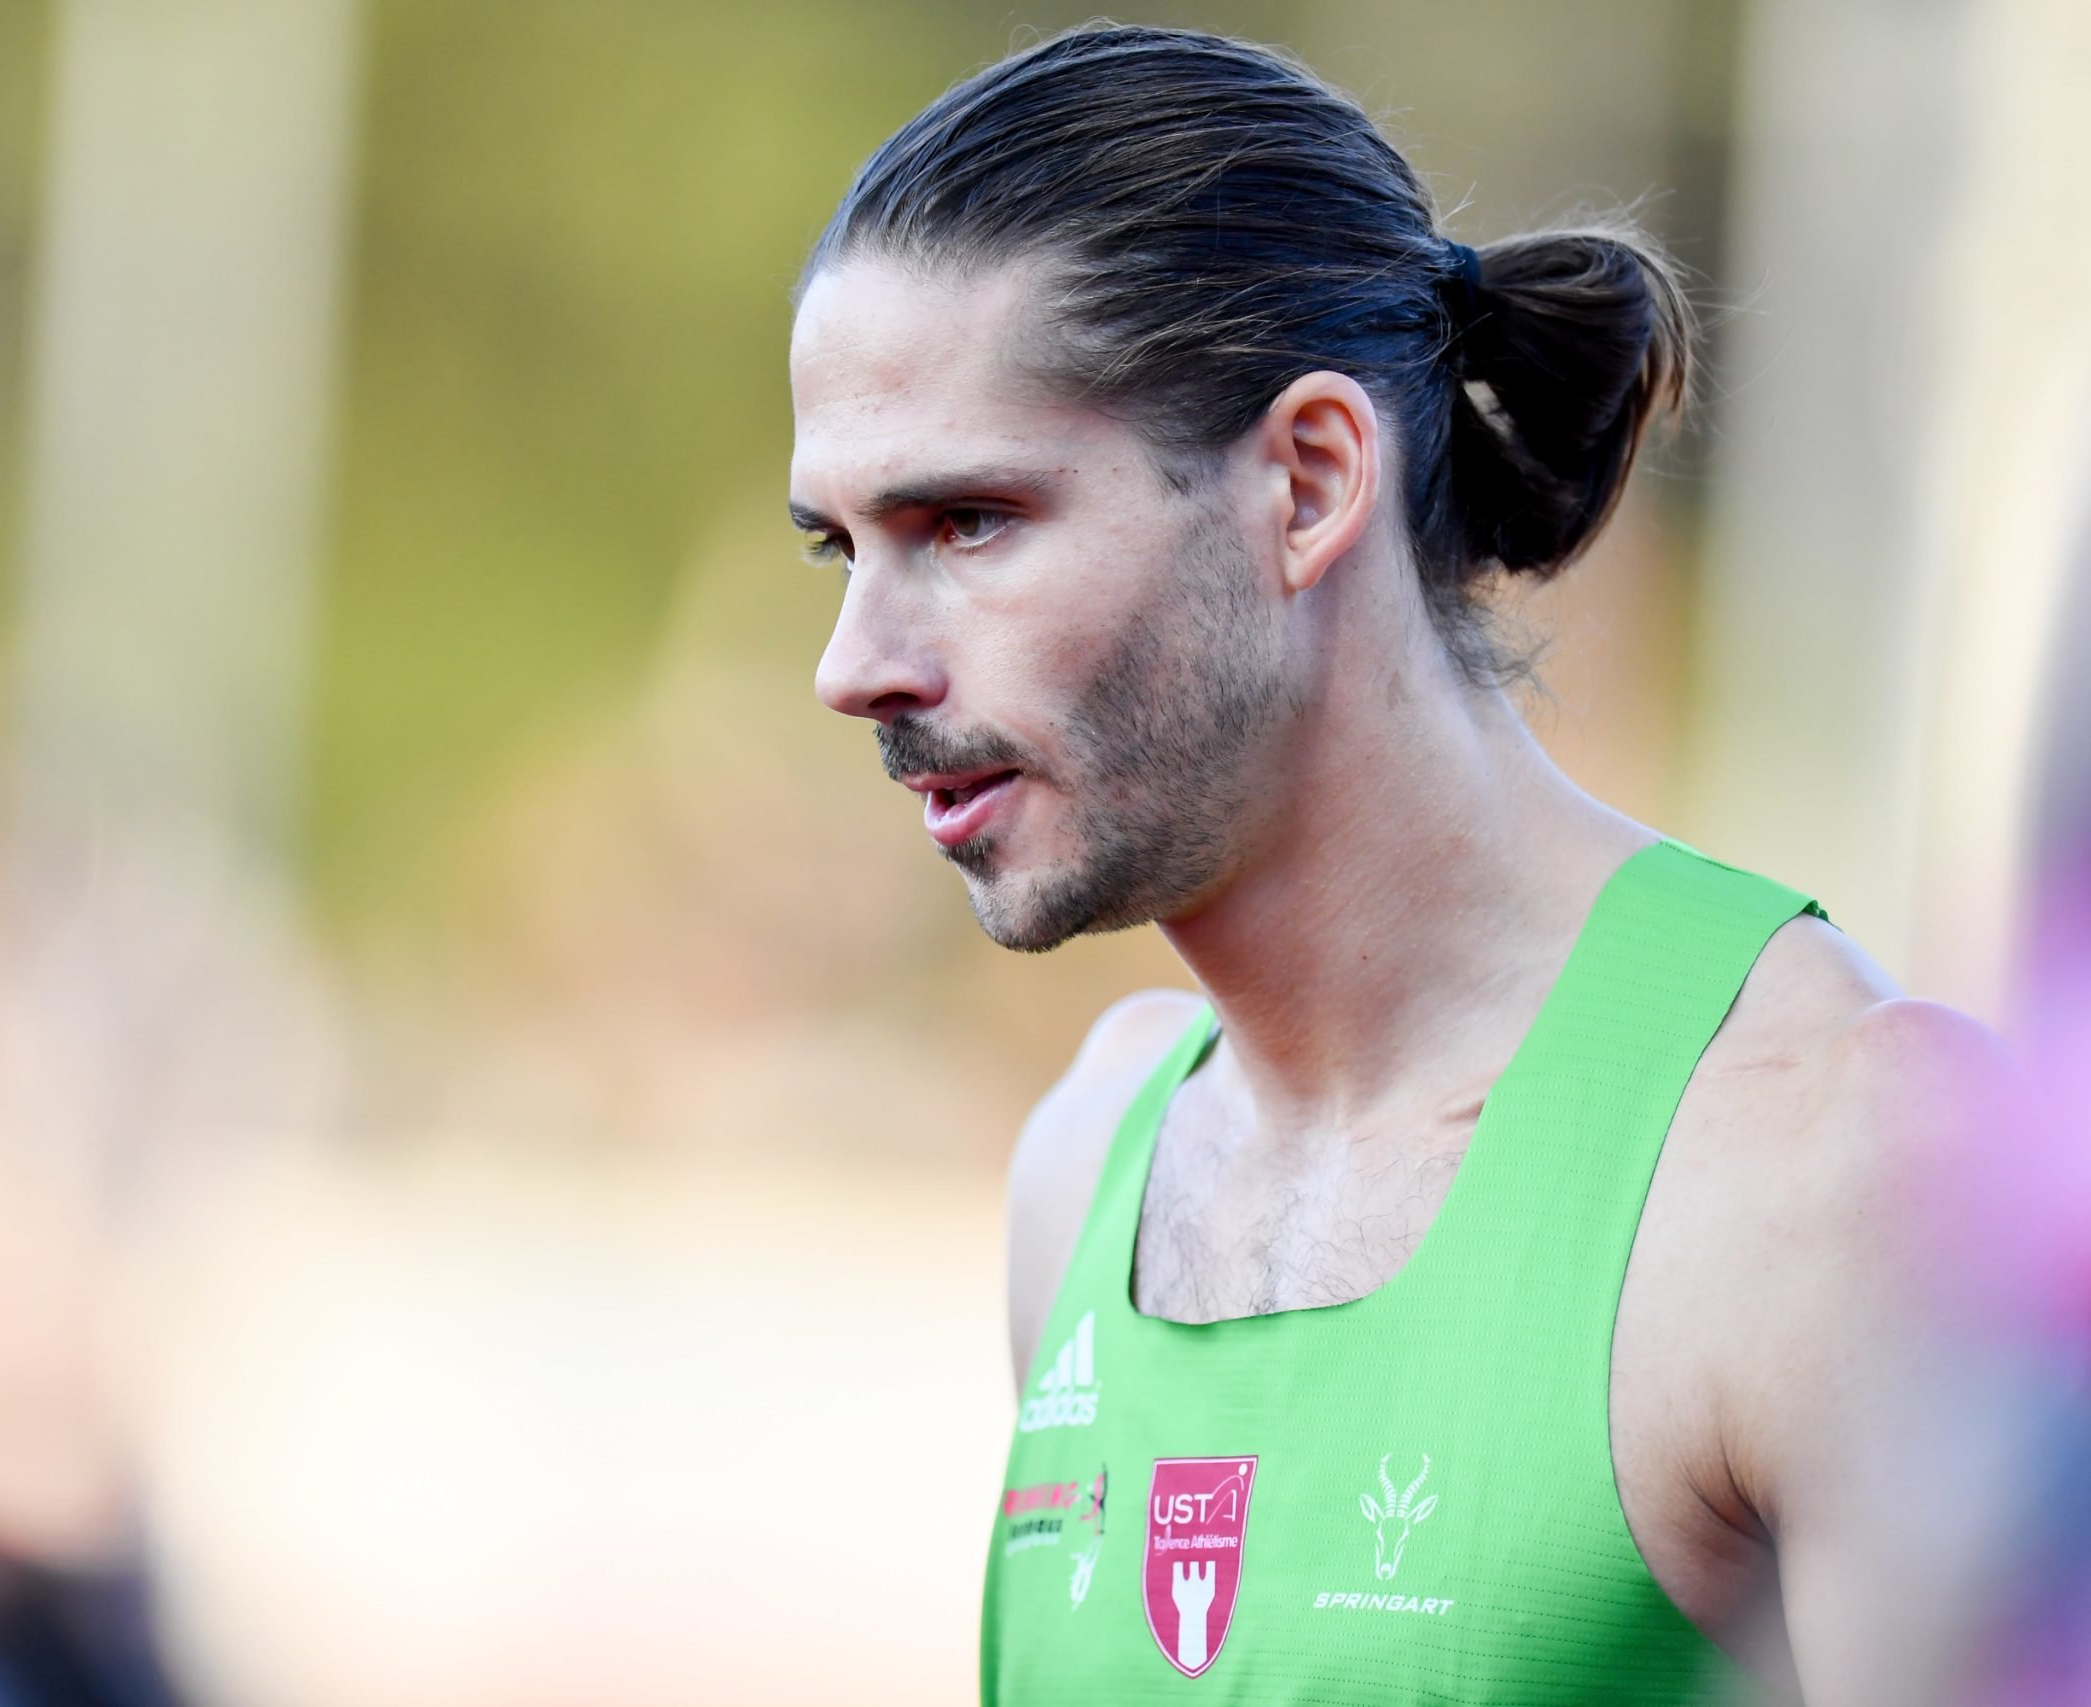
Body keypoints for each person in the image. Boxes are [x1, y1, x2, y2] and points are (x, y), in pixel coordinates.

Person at [785, 24, 1997, 1703]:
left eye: (968, 523)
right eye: (840, 547)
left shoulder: (1852, 1168)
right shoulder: (1089, 1170)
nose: (856, 665)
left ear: (1309, 481)